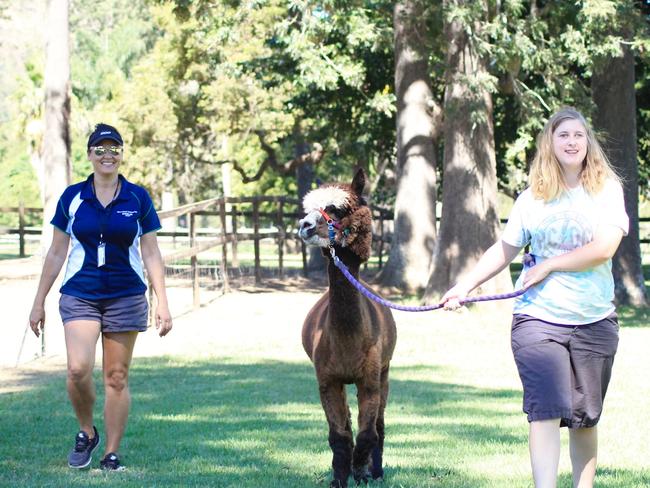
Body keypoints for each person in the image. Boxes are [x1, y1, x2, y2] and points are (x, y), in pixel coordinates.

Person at [441, 108, 628, 488]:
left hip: (594, 320)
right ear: (550, 143)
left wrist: (547, 265)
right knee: (544, 410)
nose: (572, 142)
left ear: (588, 142)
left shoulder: (606, 189)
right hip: (538, 319)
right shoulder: (533, 198)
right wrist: (466, 285)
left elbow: (605, 247)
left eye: (578, 135)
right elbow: (504, 250)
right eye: (563, 136)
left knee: (584, 417)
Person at [28, 123, 173, 471]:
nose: (108, 155)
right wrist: (38, 301)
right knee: (78, 369)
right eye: (101, 149)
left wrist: (163, 302)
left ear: (121, 154)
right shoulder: (73, 197)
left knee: (116, 377)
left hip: (126, 294)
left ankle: (111, 453)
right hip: (81, 293)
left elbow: (151, 252)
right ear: (90, 155)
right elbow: (56, 252)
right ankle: (86, 430)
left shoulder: (137, 197)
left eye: (114, 149)